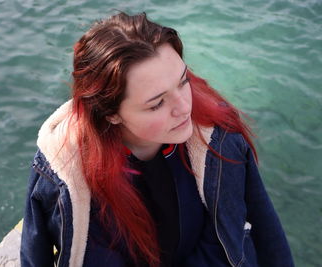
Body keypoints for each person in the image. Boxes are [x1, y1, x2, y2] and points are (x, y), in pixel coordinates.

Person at [20, 12, 294, 267]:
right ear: (111, 114)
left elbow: (264, 228)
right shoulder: (62, 174)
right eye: (156, 104)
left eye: (183, 81)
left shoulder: (218, 139)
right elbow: (35, 255)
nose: (184, 107)